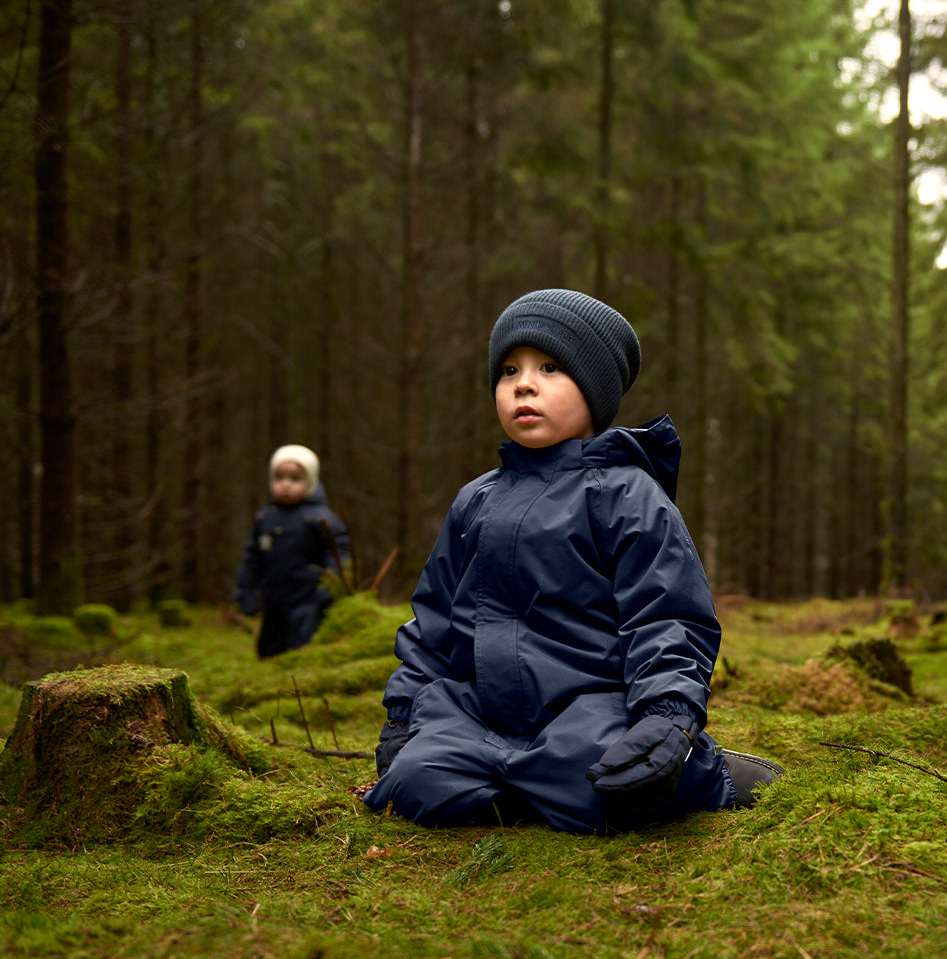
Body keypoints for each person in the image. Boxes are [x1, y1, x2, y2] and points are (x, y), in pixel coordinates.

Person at [363, 289, 783, 834]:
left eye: (551, 367)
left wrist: (668, 715)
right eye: (509, 370)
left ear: (595, 389)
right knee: (414, 784)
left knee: (609, 785)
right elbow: (435, 621)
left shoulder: (629, 495)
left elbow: (667, 618)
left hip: (591, 710)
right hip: (480, 716)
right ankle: (518, 784)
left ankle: (702, 768)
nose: (524, 384)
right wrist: (403, 716)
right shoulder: (474, 501)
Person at [234, 444, 351, 659]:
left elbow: (338, 553)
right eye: (279, 477)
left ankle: (301, 687)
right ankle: (271, 687)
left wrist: (331, 588)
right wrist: (246, 590)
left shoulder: (321, 519)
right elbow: (252, 557)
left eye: (295, 478)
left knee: (303, 649)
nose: (285, 484)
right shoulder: (265, 518)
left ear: (311, 481)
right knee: (269, 650)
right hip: (273, 600)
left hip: (308, 601)